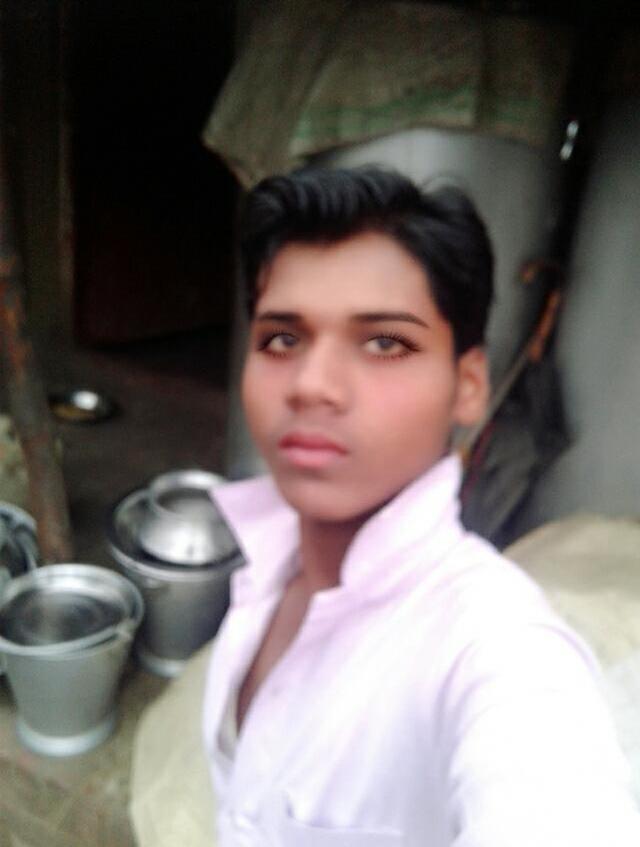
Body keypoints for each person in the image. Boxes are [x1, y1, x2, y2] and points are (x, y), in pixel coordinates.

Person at [202, 167, 640, 846]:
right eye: (282, 339)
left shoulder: (497, 651)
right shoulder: (267, 563)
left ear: (468, 385)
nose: (311, 384)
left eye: (385, 342)